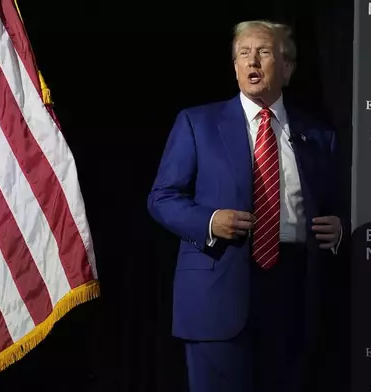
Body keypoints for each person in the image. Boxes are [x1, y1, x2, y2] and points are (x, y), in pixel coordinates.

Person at [147, 20, 346, 392]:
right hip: (218, 290)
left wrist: (338, 228)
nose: (252, 61)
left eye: (265, 52)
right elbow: (162, 198)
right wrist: (208, 221)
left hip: (291, 293)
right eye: (244, 53)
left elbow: (337, 204)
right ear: (235, 67)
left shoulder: (319, 136)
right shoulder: (197, 123)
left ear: (286, 69)